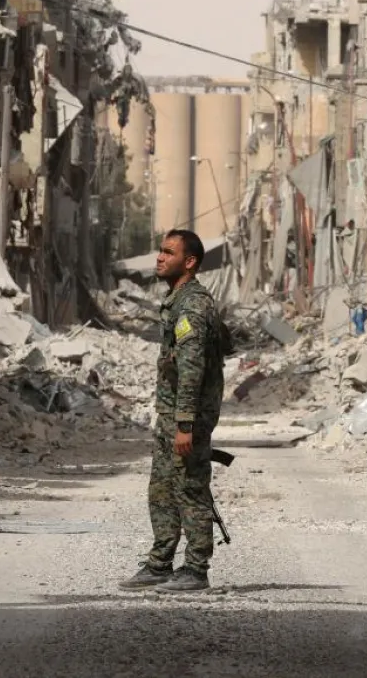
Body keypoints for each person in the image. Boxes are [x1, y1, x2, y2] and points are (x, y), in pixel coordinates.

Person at [118, 229, 226, 593]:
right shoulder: (177, 300)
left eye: (168, 252)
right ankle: (161, 563)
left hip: (187, 416)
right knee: (162, 489)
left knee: (190, 488)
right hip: (171, 414)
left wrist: (185, 424)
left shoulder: (193, 305)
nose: (160, 258)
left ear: (190, 262)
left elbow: (192, 368)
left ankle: (196, 568)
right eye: (160, 251)